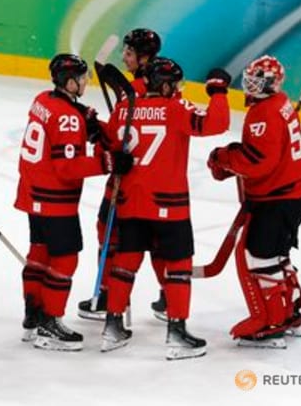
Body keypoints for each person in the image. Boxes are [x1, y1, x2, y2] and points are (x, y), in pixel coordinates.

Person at [99, 58, 231, 360]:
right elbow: (217, 123)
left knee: (124, 263)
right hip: (169, 205)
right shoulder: (176, 108)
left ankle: (112, 326)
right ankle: (176, 331)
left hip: (131, 200)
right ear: (167, 85)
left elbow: (107, 142)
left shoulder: (124, 109)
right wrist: (219, 92)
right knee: (179, 267)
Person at [208, 55, 301, 348]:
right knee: (277, 255)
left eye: (258, 81)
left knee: (259, 256)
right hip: (297, 192)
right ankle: (290, 309)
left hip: (279, 197)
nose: (251, 86)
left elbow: (258, 163)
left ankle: (271, 319)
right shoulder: (280, 102)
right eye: (250, 79)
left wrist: (224, 157)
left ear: (272, 84)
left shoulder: (263, 113)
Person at [15, 54, 120, 352]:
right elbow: (68, 167)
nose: (86, 82)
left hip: (33, 192)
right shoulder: (68, 118)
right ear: (70, 82)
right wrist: (107, 161)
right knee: (65, 258)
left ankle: (33, 316)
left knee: (39, 253)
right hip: (55, 199)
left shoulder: (42, 100)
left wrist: (85, 117)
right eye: (82, 77)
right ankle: (51, 322)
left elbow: (60, 121)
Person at [78, 28, 166, 321]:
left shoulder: (136, 92)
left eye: (129, 53)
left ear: (144, 58)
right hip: (156, 178)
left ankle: (107, 294)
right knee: (155, 240)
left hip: (130, 177)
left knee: (110, 231)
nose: (124, 57)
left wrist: (96, 128)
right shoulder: (161, 84)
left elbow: (118, 139)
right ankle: (169, 293)